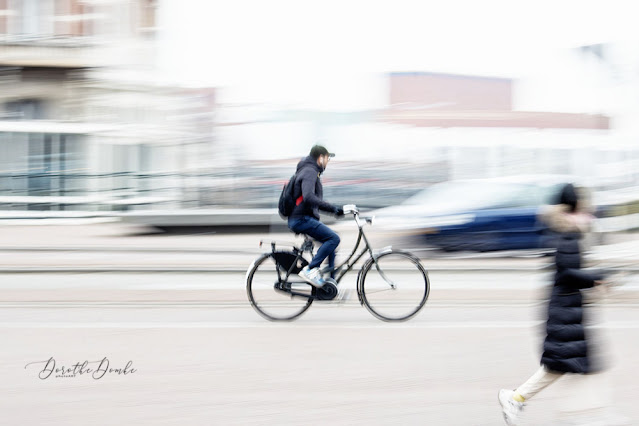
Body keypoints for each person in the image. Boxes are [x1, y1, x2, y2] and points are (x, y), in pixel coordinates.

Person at [498, 183, 609, 426]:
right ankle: (587, 416)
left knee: (569, 366)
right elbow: (567, 273)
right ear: (575, 203)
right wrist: (597, 276)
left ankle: (518, 398)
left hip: (568, 309)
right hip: (564, 311)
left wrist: (594, 279)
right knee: (570, 366)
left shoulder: (570, 228)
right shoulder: (567, 231)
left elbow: (571, 272)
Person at [288, 145, 344, 288]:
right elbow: (309, 198)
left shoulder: (309, 170)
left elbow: (313, 202)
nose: (328, 161)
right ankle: (311, 269)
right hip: (301, 219)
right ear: (320, 158)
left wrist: (336, 210)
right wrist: (334, 209)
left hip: (302, 218)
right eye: (327, 158)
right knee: (334, 238)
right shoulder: (310, 172)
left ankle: (331, 284)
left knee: (331, 241)